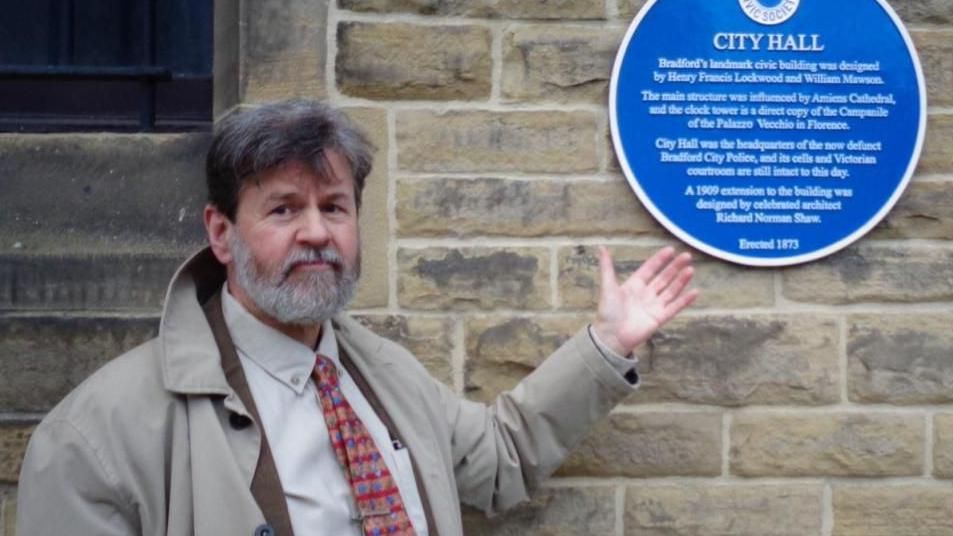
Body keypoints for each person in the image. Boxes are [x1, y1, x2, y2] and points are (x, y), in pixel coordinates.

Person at [16, 99, 698, 536]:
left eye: (333, 207)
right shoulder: (94, 438)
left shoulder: (383, 373)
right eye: (284, 209)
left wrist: (606, 345)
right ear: (221, 234)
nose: (316, 233)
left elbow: (498, 461)